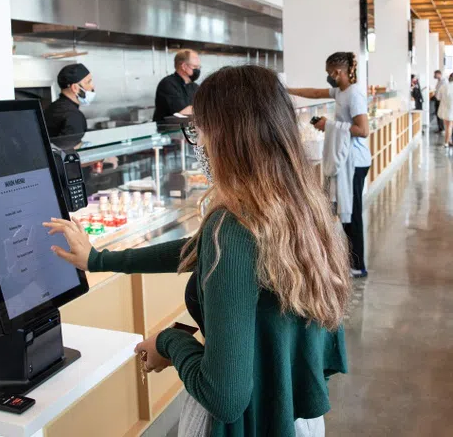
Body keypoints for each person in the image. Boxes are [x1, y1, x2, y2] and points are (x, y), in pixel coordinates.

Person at [46, 65, 350, 437]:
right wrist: (100, 260)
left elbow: (224, 397)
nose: (198, 143)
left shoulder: (233, 229)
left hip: (249, 424)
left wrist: (168, 342)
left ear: (224, 137)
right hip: (292, 414)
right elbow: (200, 247)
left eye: (198, 130)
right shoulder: (302, 204)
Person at [288, 52, 372, 278]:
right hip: (346, 160)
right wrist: (287, 91)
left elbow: (364, 130)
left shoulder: (354, 94)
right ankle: (351, 261)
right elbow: (315, 93)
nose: (328, 78)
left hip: (355, 161)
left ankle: (358, 265)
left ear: (338, 72)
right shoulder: (340, 91)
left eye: (329, 74)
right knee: (346, 212)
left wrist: (330, 125)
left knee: (352, 214)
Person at [45, 63, 94, 138]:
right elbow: (72, 147)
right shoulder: (73, 116)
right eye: (88, 82)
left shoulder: (51, 107)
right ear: (75, 88)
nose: (92, 86)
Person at [153, 49, 202, 123]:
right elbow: (183, 113)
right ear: (184, 66)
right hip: (167, 132)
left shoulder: (195, 87)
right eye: (195, 67)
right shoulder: (168, 84)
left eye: (199, 67)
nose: (198, 70)